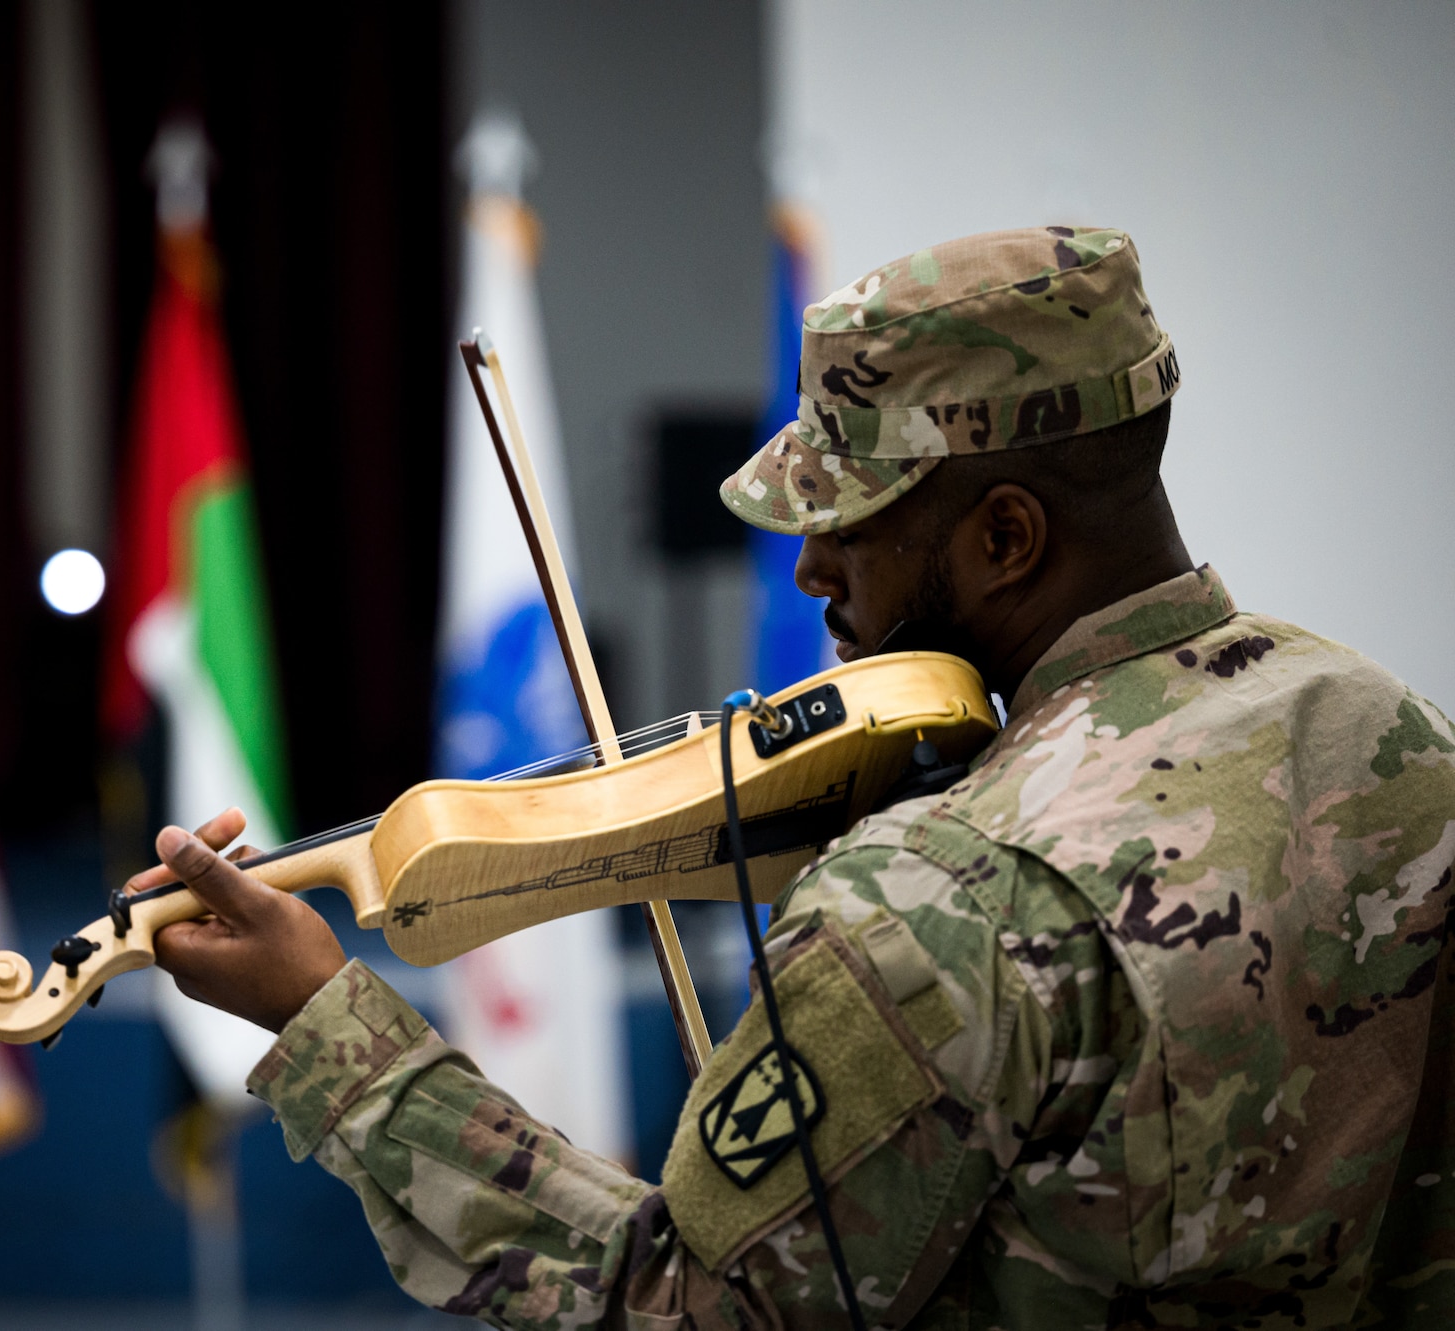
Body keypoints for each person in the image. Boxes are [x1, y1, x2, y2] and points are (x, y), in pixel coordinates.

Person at [124, 227, 1455, 1328]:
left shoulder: (941, 896)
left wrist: (327, 1026)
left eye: (852, 529)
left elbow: (671, 1307)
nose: (815, 573)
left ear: (1006, 535)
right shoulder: (1384, 726)